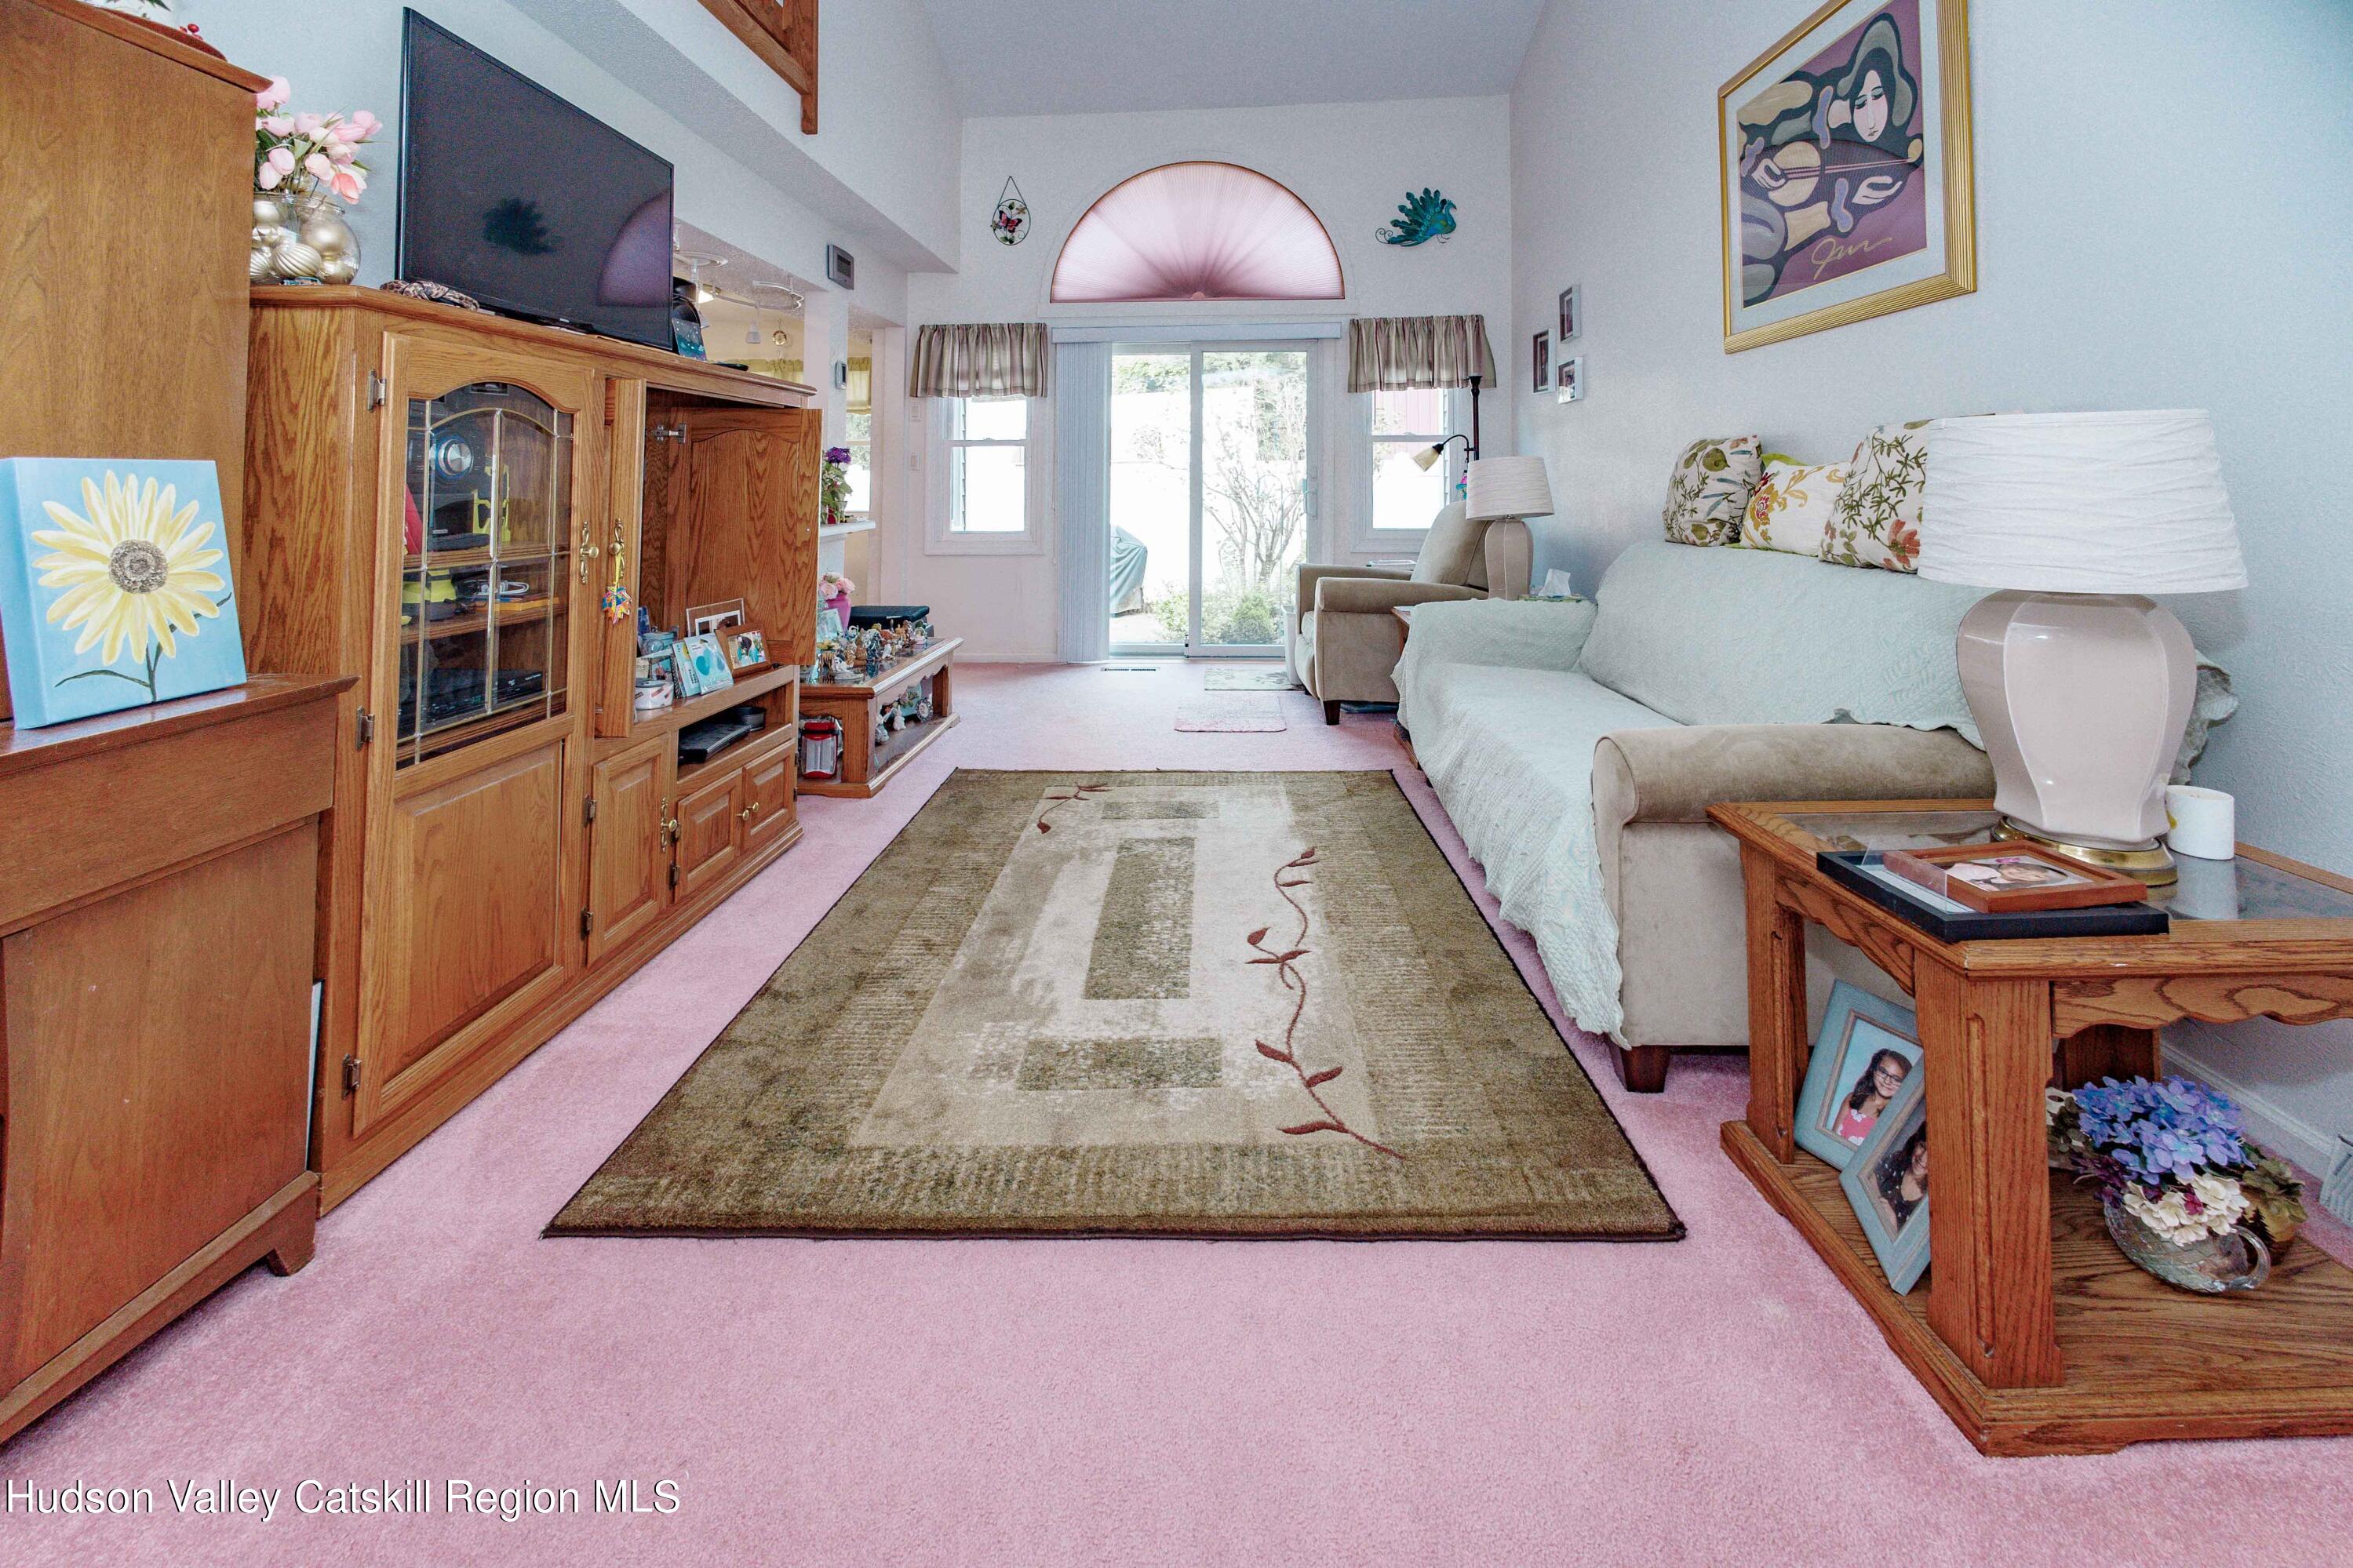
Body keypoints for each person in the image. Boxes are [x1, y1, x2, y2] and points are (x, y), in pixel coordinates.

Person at [1733, 10, 1925, 305]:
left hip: (1777, 233)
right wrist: (1758, 164)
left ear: (1893, 97)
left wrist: (1840, 206)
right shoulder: (1817, 114)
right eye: (1861, 102)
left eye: (1878, 97)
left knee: (1768, 243)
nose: (1871, 117)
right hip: (1755, 214)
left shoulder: (1889, 171)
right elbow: (1750, 134)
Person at [1831, 1047, 1912, 1144]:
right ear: (1873, 1070)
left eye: (1896, 1079)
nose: (1887, 1081)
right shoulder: (1852, 1099)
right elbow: (1832, 1140)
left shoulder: (1898, 1116)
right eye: (1883, 1072)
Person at [1876, 1126, 1930, 1227]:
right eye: (1922, 1146)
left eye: (1933, 1155)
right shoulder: (1899, 1160)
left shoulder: (1929, 1202)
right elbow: (1870, 1175)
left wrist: (1892, 1223)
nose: (1923, 1158)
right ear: (1916, 1143)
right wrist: (1879, 1200)